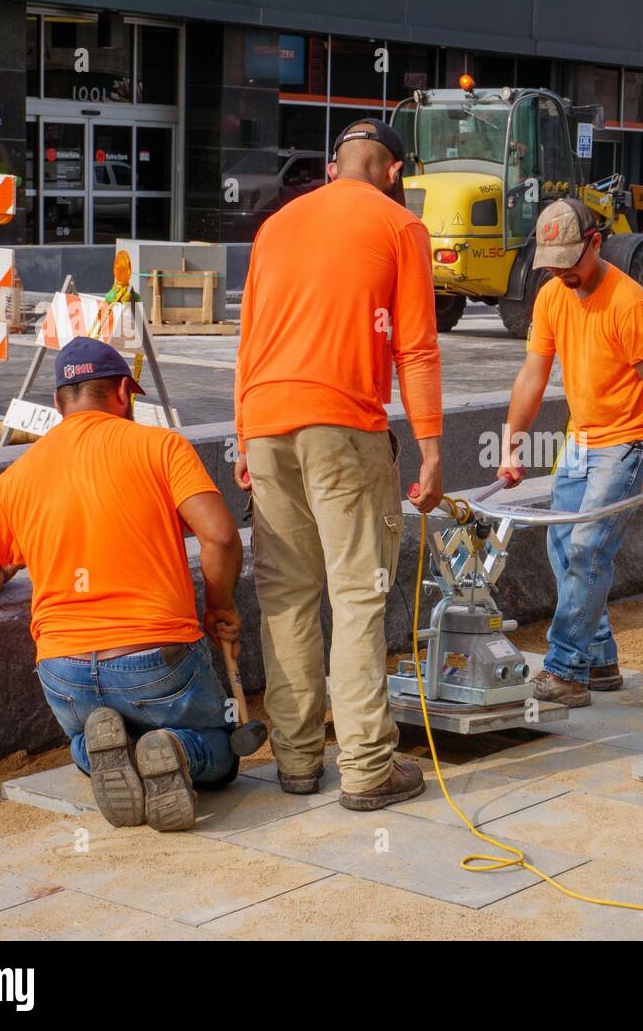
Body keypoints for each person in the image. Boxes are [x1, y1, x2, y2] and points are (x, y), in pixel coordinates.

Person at [234, 118, 443, 810]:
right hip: (342, 426)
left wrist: (245, 435)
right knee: (357, 595)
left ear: (331, 168)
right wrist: (434, 447)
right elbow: (415, 348)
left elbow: (250, 337)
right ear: (394, 173)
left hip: (265, 423)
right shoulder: (399, 225)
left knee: (285, 596)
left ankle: (295, 762)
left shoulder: (275, 227)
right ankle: (366, 768)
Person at [0, 338, 244, 832]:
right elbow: (219, 537)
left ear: (58, 402)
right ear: (122, 392)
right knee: (222, 755)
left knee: (84, 739)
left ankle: (101, 753)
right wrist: (219, 605)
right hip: (156, 659)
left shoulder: (17, 474)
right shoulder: (161, 446)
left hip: (64, 670)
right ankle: (177, 750)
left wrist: (12, 565)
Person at [498, 198, 643, 709]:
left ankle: (566, 670)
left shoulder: (630, 302)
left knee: (586, 550)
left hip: (627, 441)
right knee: (563, 547)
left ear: (596, 243)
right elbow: (533, 375)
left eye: (570, 262)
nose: (562, 274)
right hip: (581, 439)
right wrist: (511, 444)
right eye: (553, 265)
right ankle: (598, 657)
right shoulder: (552, 297)